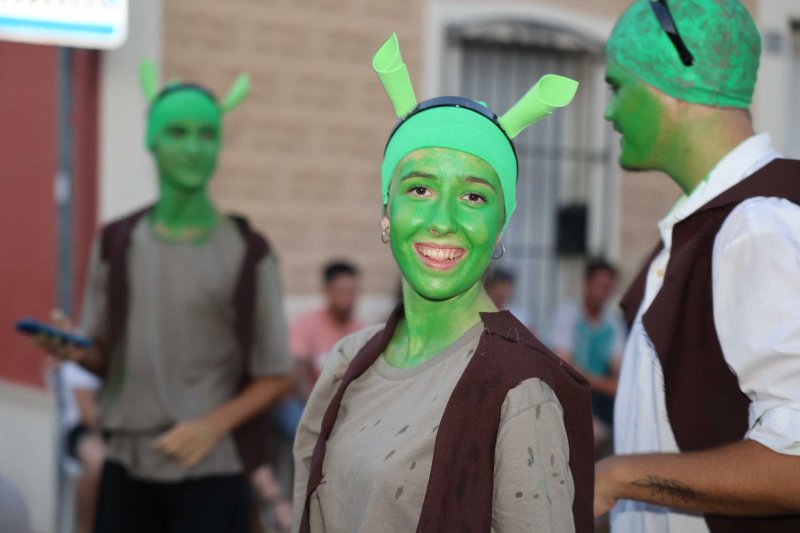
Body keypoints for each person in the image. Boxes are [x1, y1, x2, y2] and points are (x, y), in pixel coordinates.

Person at [292, 33, 594, 532]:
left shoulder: (520, 389)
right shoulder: (348, 361)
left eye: (473, 197)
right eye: (420, 188)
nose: (442, 219)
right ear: (386, 212)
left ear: (500, 225)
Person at [35, 62, 292, 533]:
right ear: (151, 139)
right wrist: (74, 349)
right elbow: (104, 356)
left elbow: (276, 374)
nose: (193, 148)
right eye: (177, 132)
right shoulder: (115, 241)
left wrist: (211, 426)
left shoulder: (249, 252)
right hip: (126, 469)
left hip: (213, 472)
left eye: (206, 134)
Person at [595, 1, 800, 531]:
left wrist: (619, 477)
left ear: (676, 81)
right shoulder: (713, 223)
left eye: (618, 86)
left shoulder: (754, 226)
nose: (608, 111)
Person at [549, 259, 625, 448]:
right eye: (600, 285)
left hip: (597, 403)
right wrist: (602, 382)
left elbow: (620, 380)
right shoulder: (567, 314)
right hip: (565, 397)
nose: (604, 292)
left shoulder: (612, 323)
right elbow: (564, 369)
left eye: (608, 287)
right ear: (587, 284)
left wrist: (588, 378)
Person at [289, 261, 365, 398]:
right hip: (308, 399)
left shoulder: (362, 330)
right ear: (327, 290)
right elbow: (298, 371)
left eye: (352, 291)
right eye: (342, 291)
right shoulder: (306, 323)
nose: (348, 298)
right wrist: (313, 408)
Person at [58, 356, 104, 533]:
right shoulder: (80, 349)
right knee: (97, 461)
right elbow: (88, 415)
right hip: (82, 428)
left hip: (121, 428)